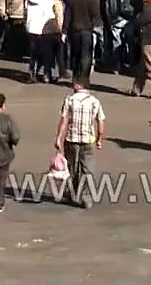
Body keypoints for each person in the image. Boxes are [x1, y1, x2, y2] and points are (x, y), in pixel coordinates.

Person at [54, 77, 106, 209]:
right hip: (88, 140)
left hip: (71, 139)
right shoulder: (94, 101)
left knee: (71, 168)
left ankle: (71, 193)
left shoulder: (70, 99)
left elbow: (64, 120)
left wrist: (59, 138)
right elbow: (100, 122)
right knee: (87, 170)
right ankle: (85, 197)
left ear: (77, 85)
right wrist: (99, 139)